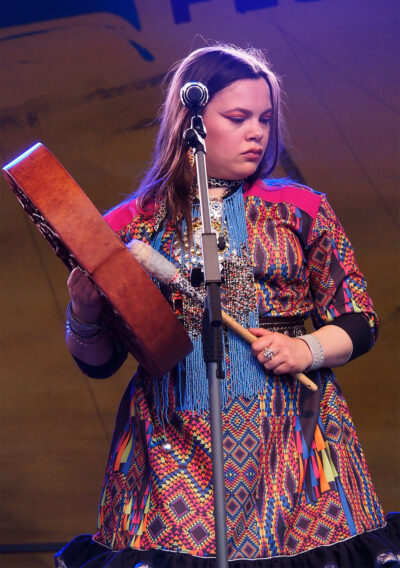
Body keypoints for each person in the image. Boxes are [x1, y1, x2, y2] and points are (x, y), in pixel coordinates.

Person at [55, 44, 399, 568]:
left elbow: (359, 318)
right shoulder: (131, 225)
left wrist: (306, 349)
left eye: (264, 118)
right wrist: (82, 314)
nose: (256, 131)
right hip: (170, 440)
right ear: (190, 123)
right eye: (237, 118)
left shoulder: (301, 208)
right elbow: (99, 363)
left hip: (293, 435)